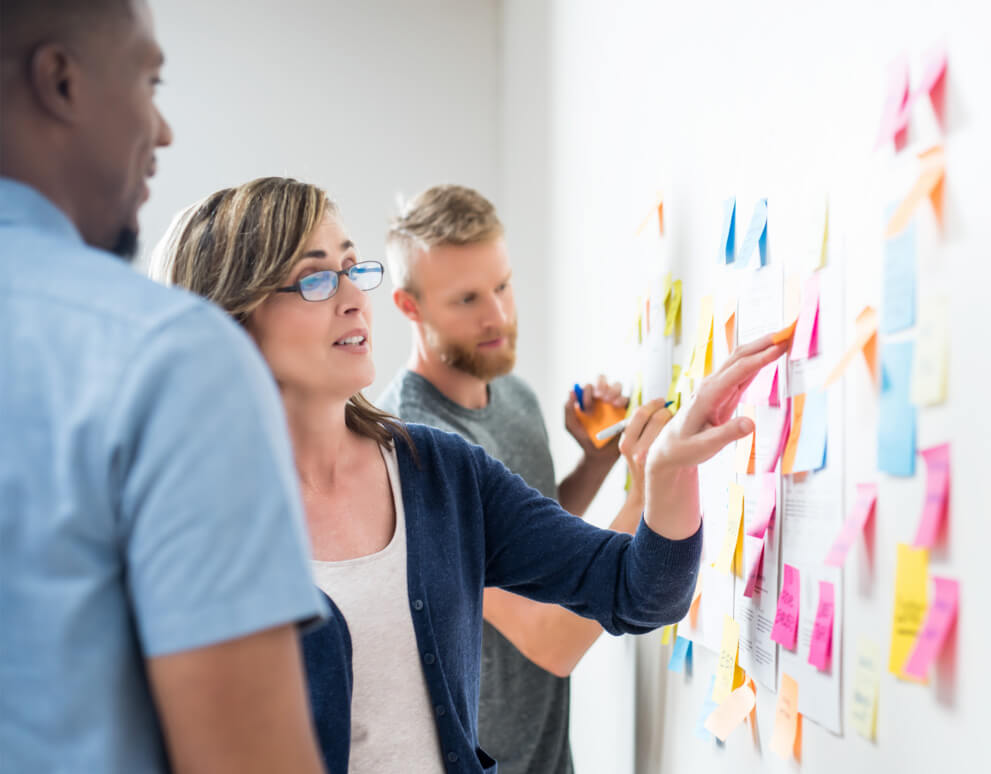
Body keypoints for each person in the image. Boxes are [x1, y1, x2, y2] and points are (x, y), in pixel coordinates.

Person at [153, 175, 788, 773]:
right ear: (229, 323)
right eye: (315, 281)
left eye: (352, 268)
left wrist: (671, 471)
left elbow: (637, 590)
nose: (353, 300)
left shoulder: (441, 473)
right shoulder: (184, 526)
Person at [0, 3, 333, 773]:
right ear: (60, 81)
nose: (163, 130)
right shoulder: (167, 358)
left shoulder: (436, 468)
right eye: (149, 81)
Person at [377, 184, 656, 773]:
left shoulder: (514, 395)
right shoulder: (413, 449)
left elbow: (532, 554)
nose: (497, 317)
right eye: (467, 299)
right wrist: (649, 494)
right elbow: (552, 643)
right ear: (410, 307)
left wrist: (597, 463)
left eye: (502, 286)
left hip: (549, 758)